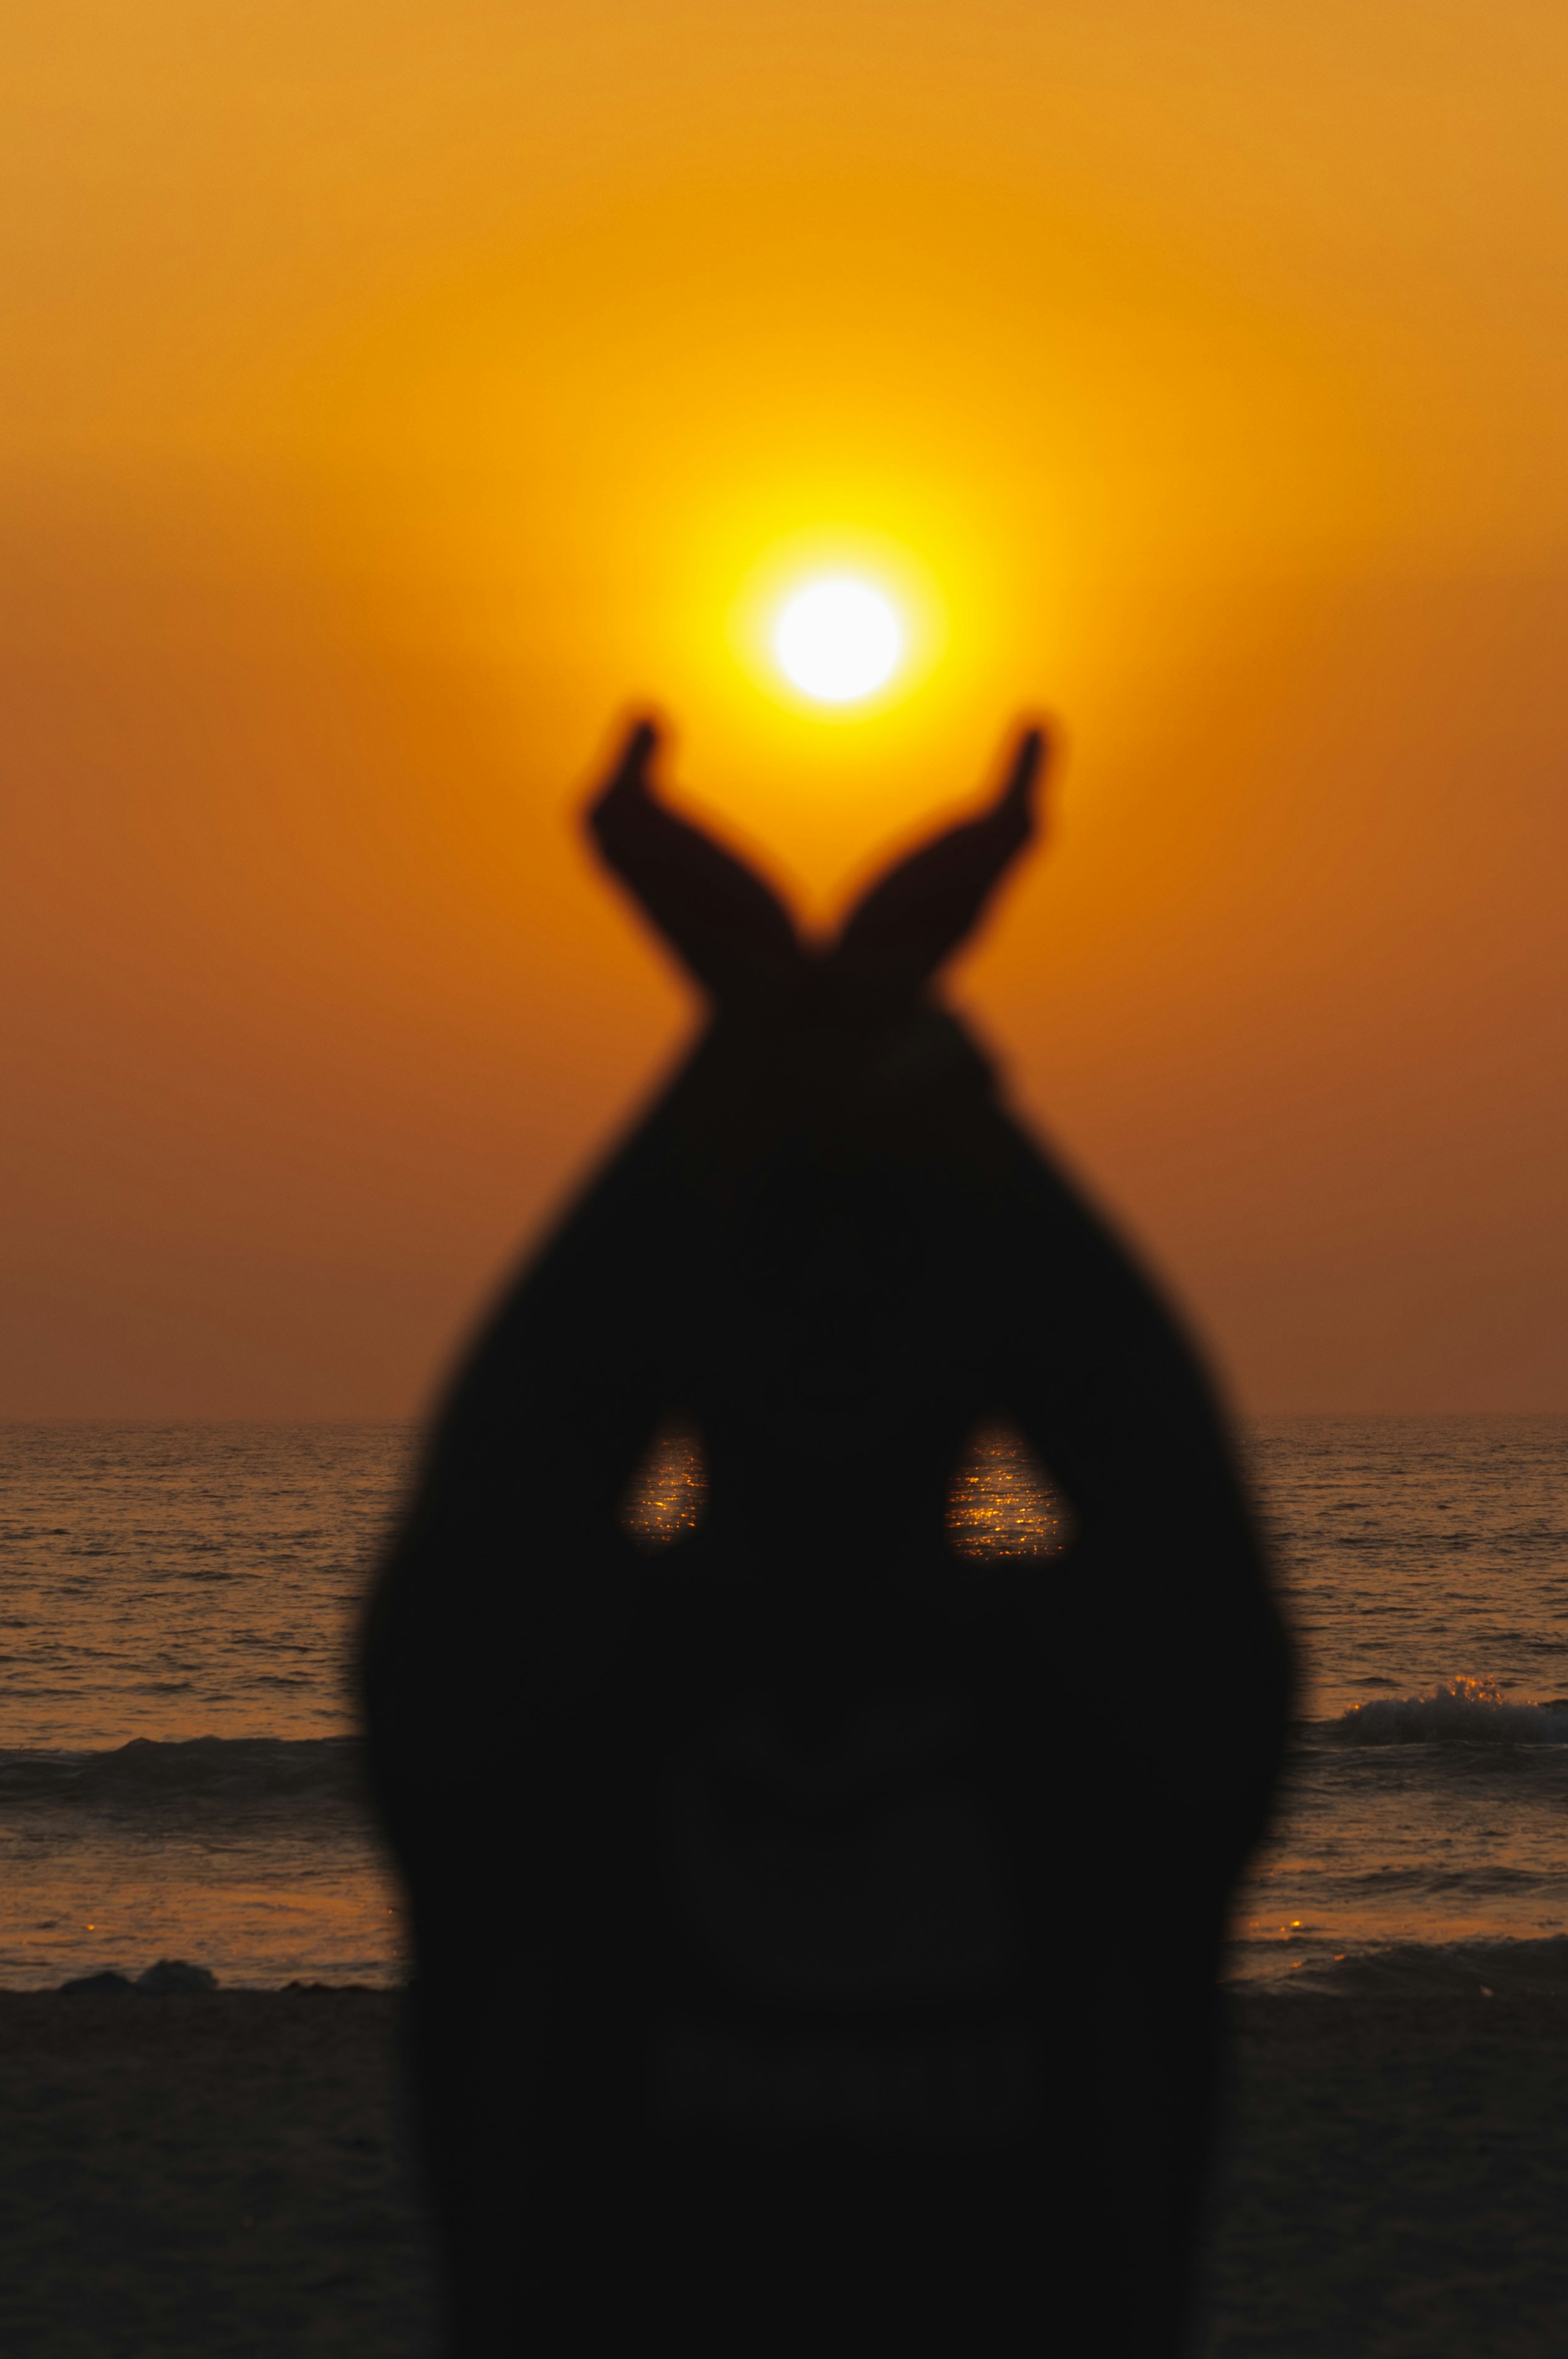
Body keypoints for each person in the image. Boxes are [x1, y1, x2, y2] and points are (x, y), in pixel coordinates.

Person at [358, 717, 1294, 2359]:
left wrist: (759, 1035)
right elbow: (1156, 1469)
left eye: (880, 1266)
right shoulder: (554, 1712)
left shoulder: (1077, 1717)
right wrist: (891, 1041)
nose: (839, 1308)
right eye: (788, 1263)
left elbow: (525, 1446)